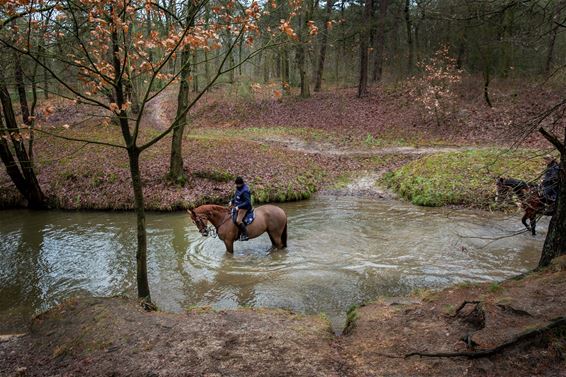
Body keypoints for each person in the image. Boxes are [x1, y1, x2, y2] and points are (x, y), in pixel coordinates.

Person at [229, 176, 252, 241]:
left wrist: (238, 207)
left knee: (238, 220)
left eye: (237, 184)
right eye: (236, 184)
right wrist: (231, 201)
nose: (236, 185)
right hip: (237, 205)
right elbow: (236, 197)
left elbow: (247, 202)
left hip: (244, 207)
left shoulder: (245, 191)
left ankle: (245, 235)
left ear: (241, 183)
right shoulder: (238, 188)